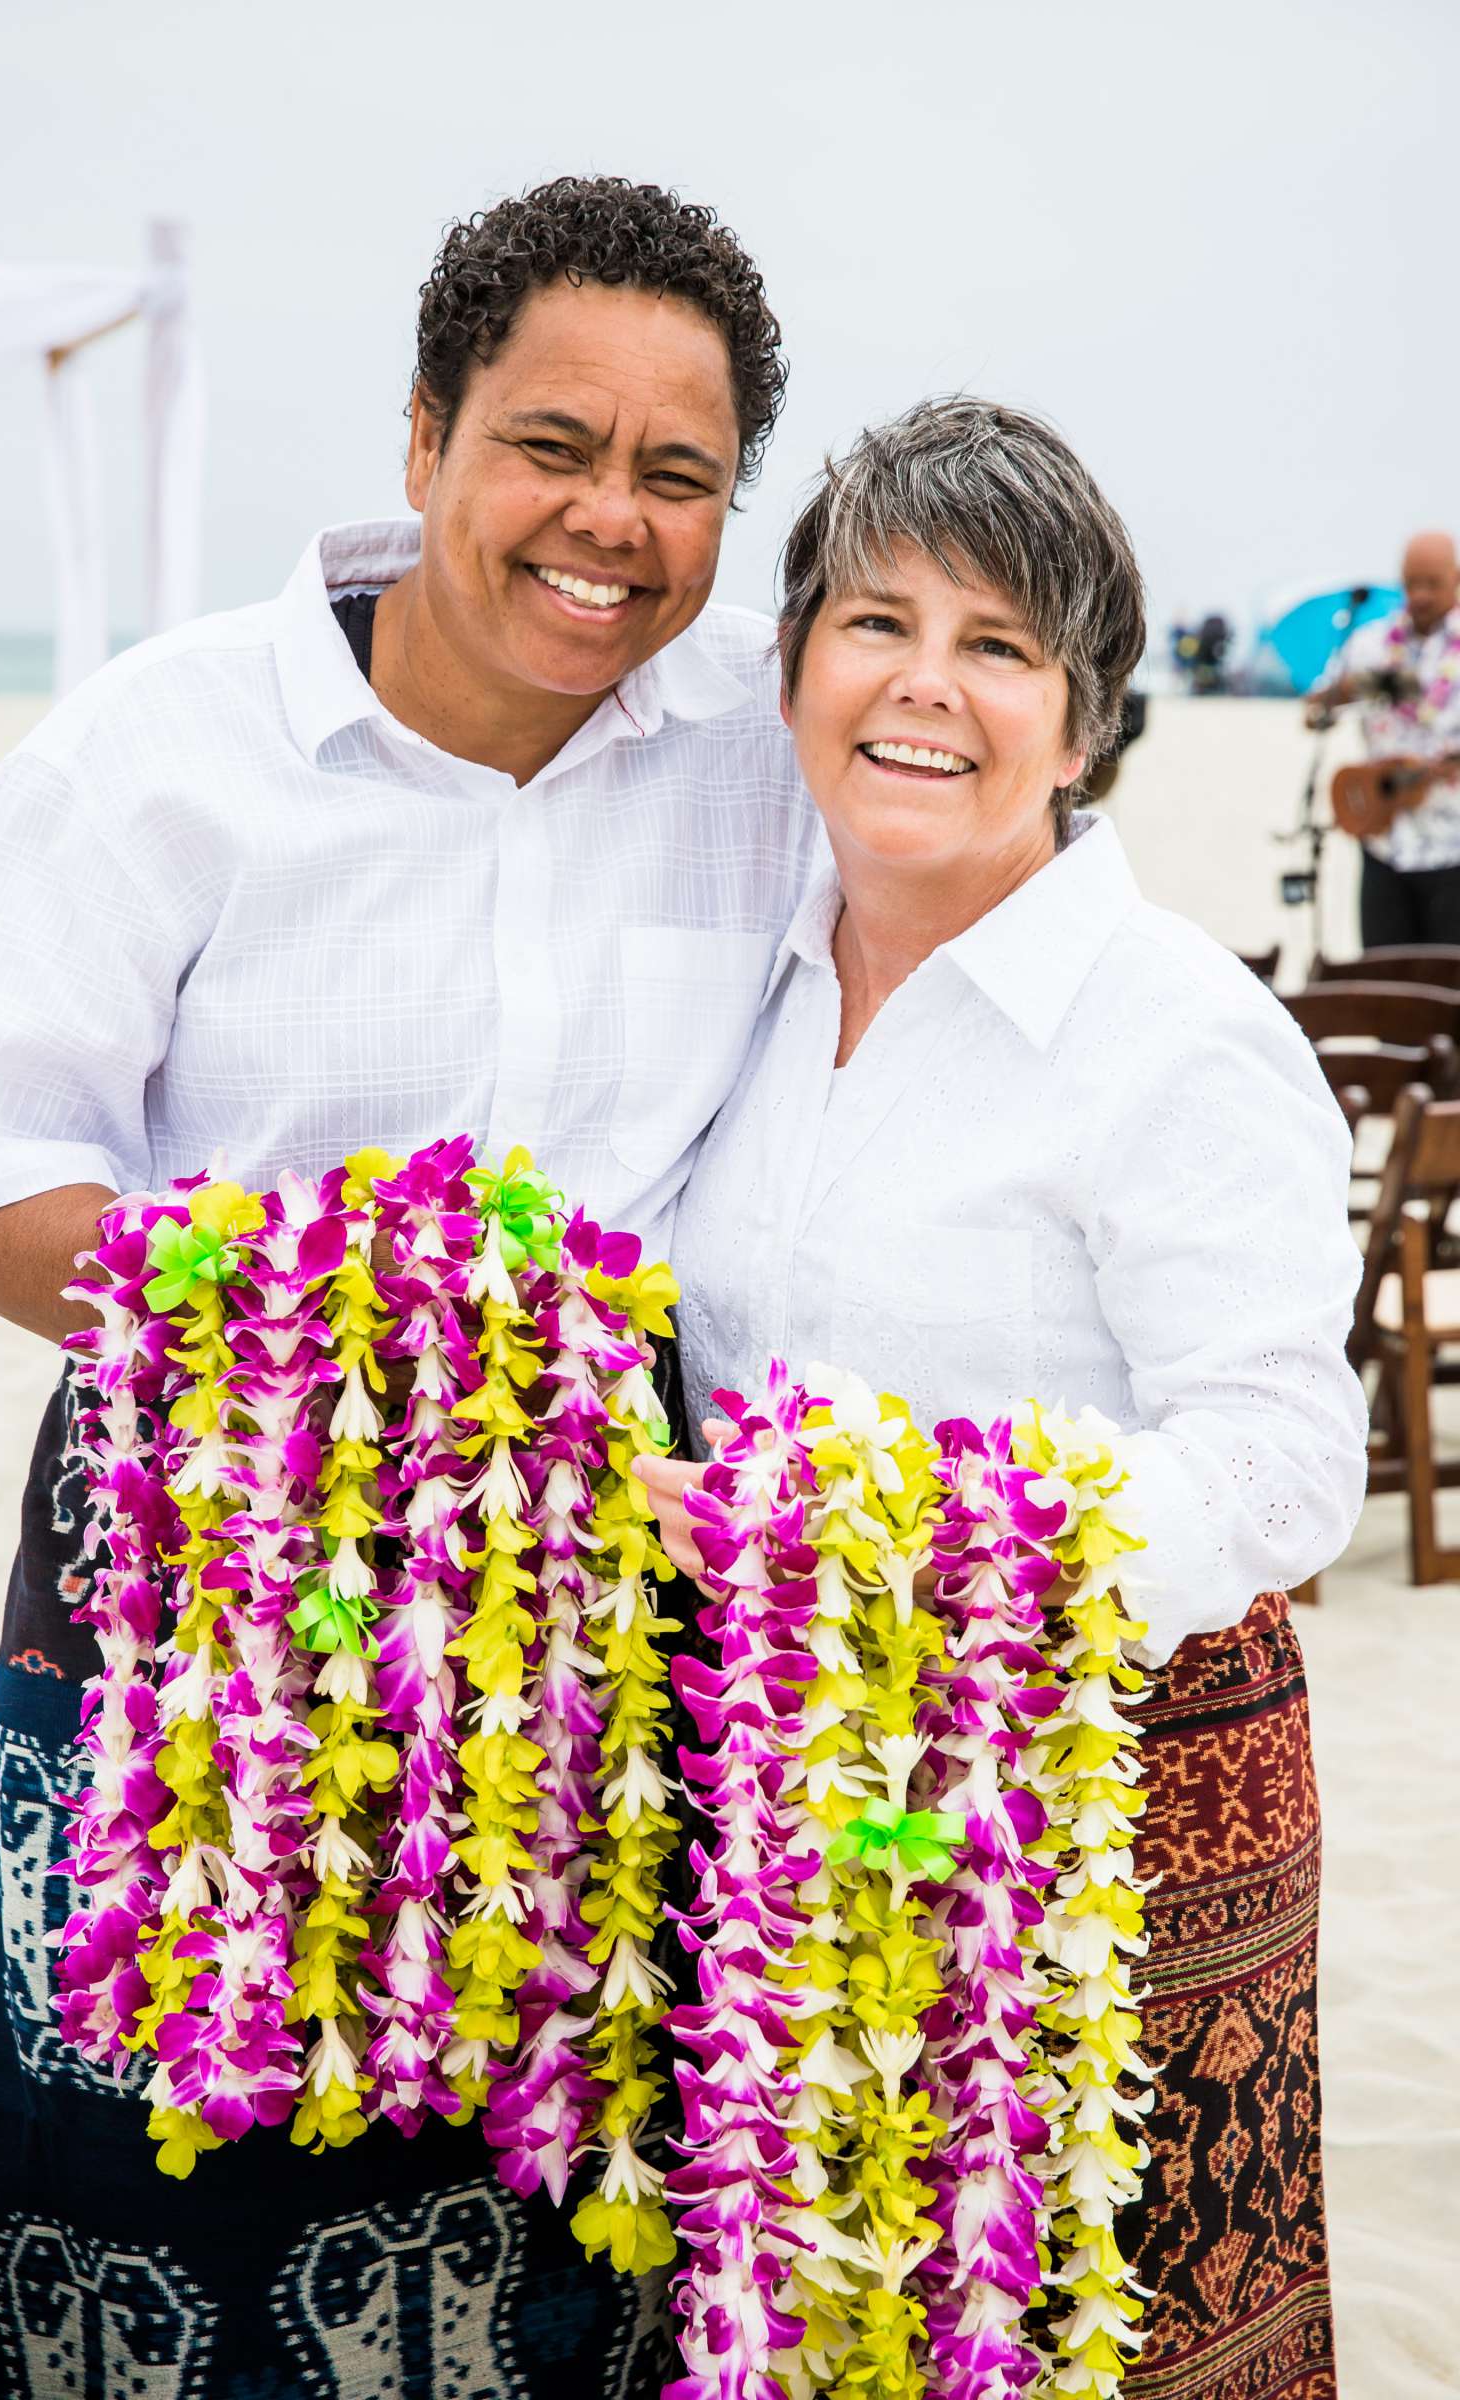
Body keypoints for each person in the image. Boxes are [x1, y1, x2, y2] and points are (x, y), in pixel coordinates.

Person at [0, 175, 817, 2400]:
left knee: (555, 2213)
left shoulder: (755, 775)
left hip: (591, 1631)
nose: (608, 521)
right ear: (421, 441)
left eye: (675, 476)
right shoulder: (155, 755)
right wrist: (345, 1325)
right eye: (549, 445)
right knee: (130, 2206)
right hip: (193, 1618)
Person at [639, 398, 1365, 2400]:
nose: (920, 689)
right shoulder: (751, 986)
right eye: (873, 622)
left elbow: (1286, 1459)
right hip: (784, 1806)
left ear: (1084, 714)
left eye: (997, 646)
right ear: (788, 662)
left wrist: (939, 1572)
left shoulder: (1171, 1038)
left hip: (1092, 1808)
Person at [1311, 530, 1460, 946]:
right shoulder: (1370, 645)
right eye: (1412, 584)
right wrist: (1348, 690)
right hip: (1382, 842)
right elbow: (1313, 712)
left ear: (1456, 578)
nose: (1421, 595)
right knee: (1384, 982)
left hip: (1452, 850)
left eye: (1432, 583)